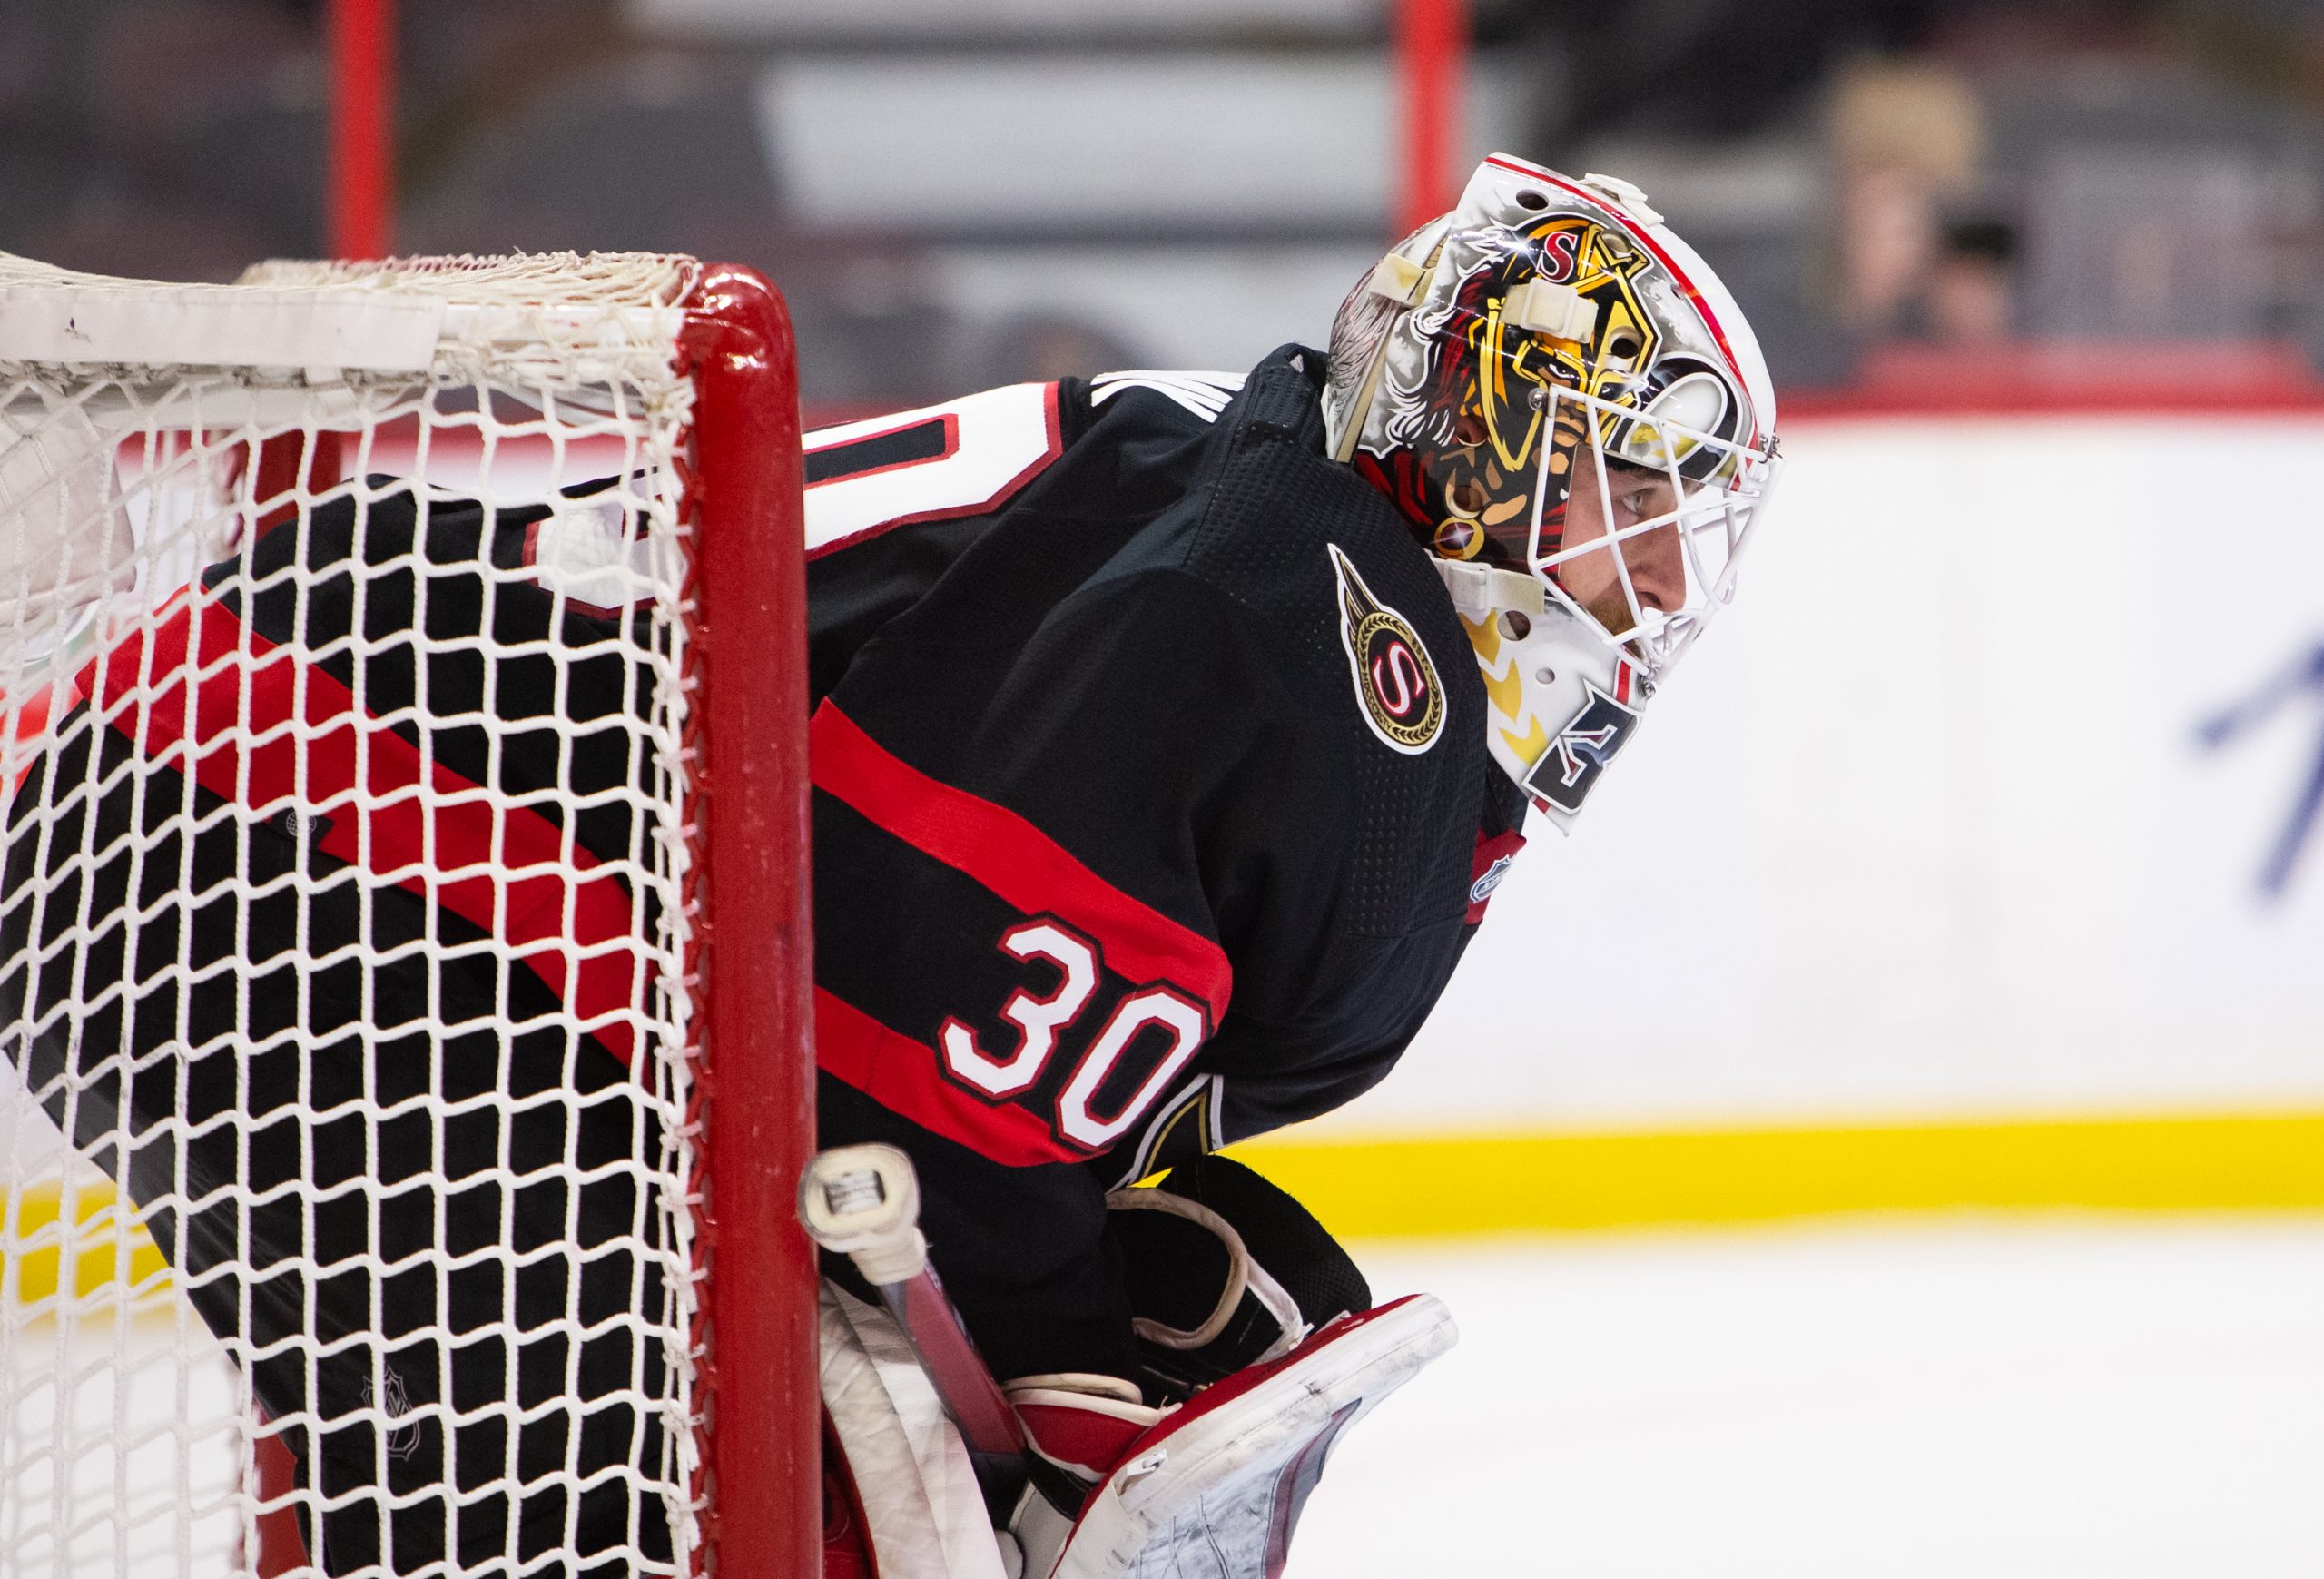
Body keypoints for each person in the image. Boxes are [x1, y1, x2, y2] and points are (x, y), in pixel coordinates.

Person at [1, 152, 1778, 1578]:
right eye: (1612, 500)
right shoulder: (1318, 629)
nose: (1636, 591)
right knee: (613, 1498)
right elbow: (892, 1034)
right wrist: (1057, 1364)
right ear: (1472, 435)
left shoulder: (1261, 501)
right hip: (325, 852)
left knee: (579, 1484)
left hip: (282, 813)